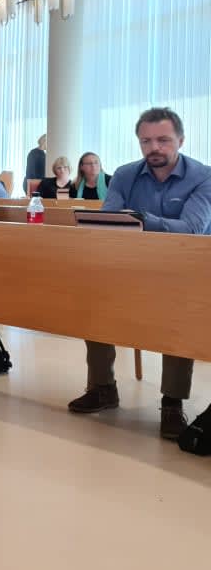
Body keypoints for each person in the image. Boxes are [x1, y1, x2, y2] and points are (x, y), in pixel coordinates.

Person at [68, 107, 211, 441]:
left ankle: (172, 402)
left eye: (163, 140)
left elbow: (192, 229)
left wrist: (141, 219)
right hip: (131, 266)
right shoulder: (125, 174)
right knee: (93, 298)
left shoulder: (203, 176)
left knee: (178, 312)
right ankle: (103, 387)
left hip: (184, 271)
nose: (154, 148)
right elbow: (107, 222)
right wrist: (133, 223)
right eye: (146, 141)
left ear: (181, 140)